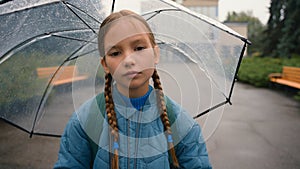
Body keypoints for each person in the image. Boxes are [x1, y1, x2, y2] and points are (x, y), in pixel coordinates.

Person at [54, 10, 212, 169]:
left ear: (156, 54)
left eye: (139, 48)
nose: (129, 60)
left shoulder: (181, 124)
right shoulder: (84, 121)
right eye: (115, 53)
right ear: (105, 65)